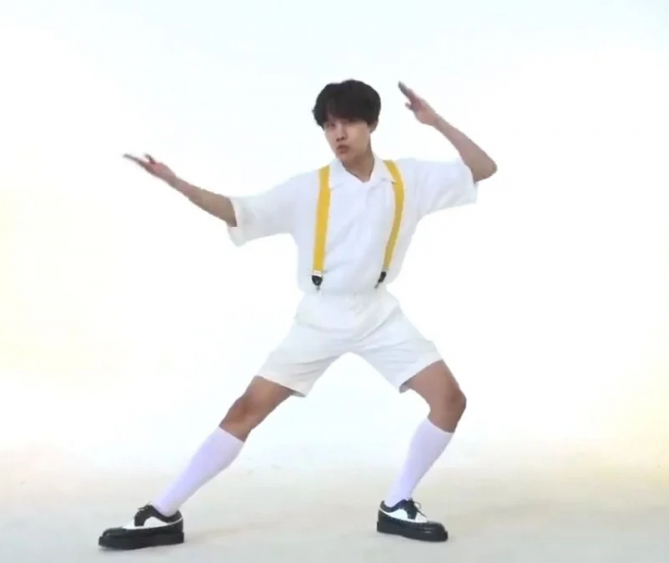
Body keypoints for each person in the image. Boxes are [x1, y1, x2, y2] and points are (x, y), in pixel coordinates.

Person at [99, 79, 497, 550]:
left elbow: (483, 168)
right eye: (329, 125)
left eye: (348, 122)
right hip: (320, 316)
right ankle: (162, 512)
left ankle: (397, 504)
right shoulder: (309, 189)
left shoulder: (407, 179)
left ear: (372, 124)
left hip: (379, 312)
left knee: (450, 401)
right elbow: (237, 211)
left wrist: (435, 122)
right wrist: (176, 182)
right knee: (246, 410)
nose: (338, 134)